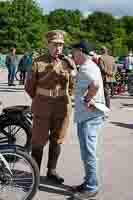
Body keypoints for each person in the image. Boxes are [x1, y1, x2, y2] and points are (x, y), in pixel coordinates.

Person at [25, 30, 75, 184]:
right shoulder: (38, 62)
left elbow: (73, 85)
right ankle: (35, 173)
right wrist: (42, 98)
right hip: (42, 106)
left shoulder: (68, 63)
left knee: (57, 140)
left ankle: (51, 171)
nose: (58, 48)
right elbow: (29, 87)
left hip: (61, 106)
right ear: (48, 45)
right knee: (38, 141)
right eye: (55, 44)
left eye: (61, 45)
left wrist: (67, 96)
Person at [70, 40, 107, 200]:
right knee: (87, 152)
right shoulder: (89, 66)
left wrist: (86, 100)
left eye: (73, 53)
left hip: (89, 117)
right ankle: (88, 182)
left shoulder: (86, 67)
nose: (72, 55)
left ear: (80, 52)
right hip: (88, 116)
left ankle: (91, 187)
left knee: (88, 153)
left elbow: (96, 84)